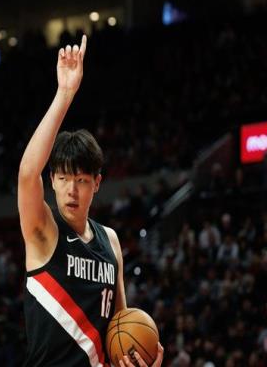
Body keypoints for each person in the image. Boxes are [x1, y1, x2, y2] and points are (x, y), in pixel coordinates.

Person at [18, 35, 164, 367]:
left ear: (97, 184)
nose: (72, 189)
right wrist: (65, 93)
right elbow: (27, 173)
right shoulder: (44, 231)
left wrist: (137, 362)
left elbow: (119, 328)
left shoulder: (110, 241)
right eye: (64, 178)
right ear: (52, 180)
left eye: (82, 180)